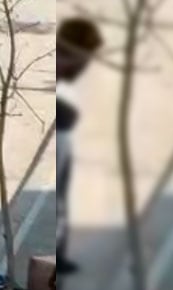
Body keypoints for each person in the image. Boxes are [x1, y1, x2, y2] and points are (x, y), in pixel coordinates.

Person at [56, 18, 103, 274]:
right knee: (61, 200)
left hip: (66, 135)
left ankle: (60, 252)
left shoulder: (67, 72)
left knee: (64, 197)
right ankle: (58, 255)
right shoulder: (61, 66)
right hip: (62, 136)